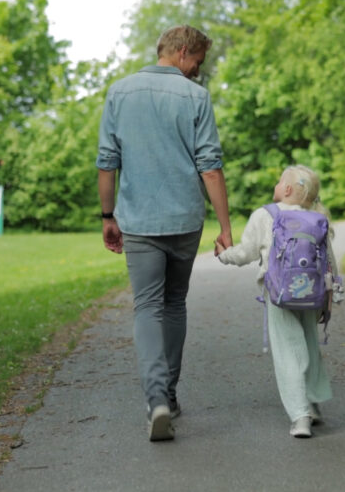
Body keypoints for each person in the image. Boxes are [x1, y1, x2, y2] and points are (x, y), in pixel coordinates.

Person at [96, 25, 233, 442]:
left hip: (138, 221)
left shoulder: (120, 92)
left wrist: (107, 216)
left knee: (148, 307)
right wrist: (226, 227)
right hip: (184, 220)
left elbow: (107, 162)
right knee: (174, 304)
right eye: (197, 62)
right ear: (183, 51)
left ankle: (156, 398)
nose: (197, 71)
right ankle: (169, 396)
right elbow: (209, 165)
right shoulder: (196, 98)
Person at [214, 164, 338, 438]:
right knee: (308, 344)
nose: (276, 185)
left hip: (279, 293)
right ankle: (314, 404)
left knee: (287, 352)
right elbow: (328, 261)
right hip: (311, 293)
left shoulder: (265, 214)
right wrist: (329, 297)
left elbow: (246, 252)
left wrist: (224, 255)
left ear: (287, 189)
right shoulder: (317, 218)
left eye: (279, 181)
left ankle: (300, 415)